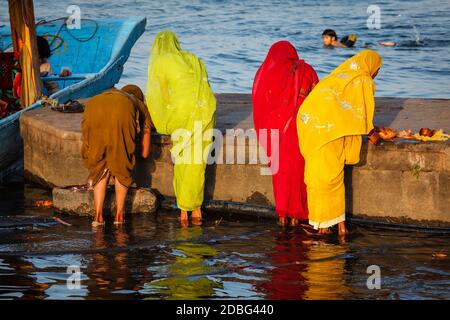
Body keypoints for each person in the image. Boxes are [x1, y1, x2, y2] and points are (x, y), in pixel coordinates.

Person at [297, 49, 382, 236]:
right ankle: (330, 228)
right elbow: (362, 111)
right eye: (377, 70)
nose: (376, 74)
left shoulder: (339, 76)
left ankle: (324, 225)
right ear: (371, 66)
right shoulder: (362, 79)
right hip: (328, 132)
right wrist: (372, 133)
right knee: (331, 180)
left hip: (311, 128)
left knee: (316, 178)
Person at [146, 30, 216, 226]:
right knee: (197, 163)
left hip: (181, 116)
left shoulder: (160, 62)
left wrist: (165, 117)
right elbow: (203, 85)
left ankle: (185, 212)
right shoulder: (192, 58)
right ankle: (195, 211)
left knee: (183, 160)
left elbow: (160, 96)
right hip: (205, 111)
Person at [252, 41, 319, 227]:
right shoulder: (305, 70)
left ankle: (283, 218)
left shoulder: (264, 73)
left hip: (273, 134)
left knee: (280, 176)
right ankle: (297, 218)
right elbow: (318, 98)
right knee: (297, 175)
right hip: (298, 131)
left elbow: (260, 104)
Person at [81, 85, 152, 227]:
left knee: (99, 166)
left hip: (93, 106)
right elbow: (145, 152)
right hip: (122, 110)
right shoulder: (137, 103)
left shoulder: (107, 95)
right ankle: (119, 216)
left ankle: (98, 217)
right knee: (121, 166)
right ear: (140, 98)